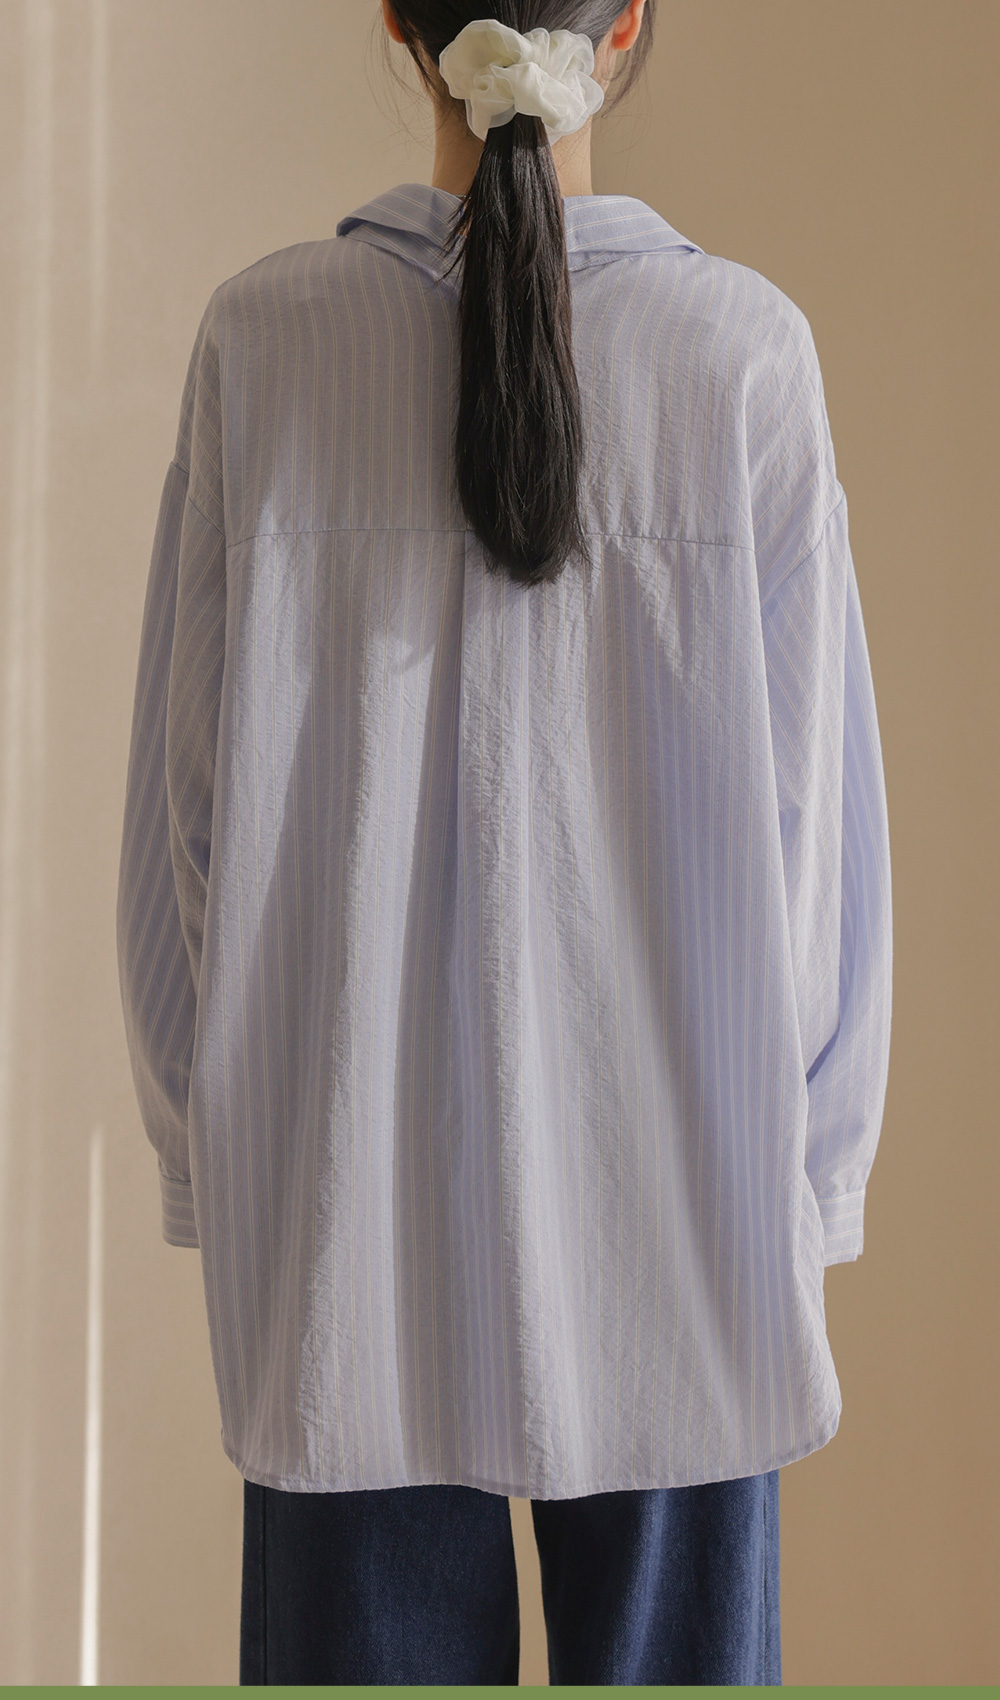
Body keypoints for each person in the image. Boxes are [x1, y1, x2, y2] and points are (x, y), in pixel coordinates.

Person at [116, 0, 893, 1684]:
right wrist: (806, 1179)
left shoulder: (263, 346)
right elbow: (815, 859)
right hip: (689, 1230)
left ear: (397, 26)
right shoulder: (744, 357)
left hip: (344, 1233)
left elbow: (186, 830)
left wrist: (225, 1163)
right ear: (629, 24)